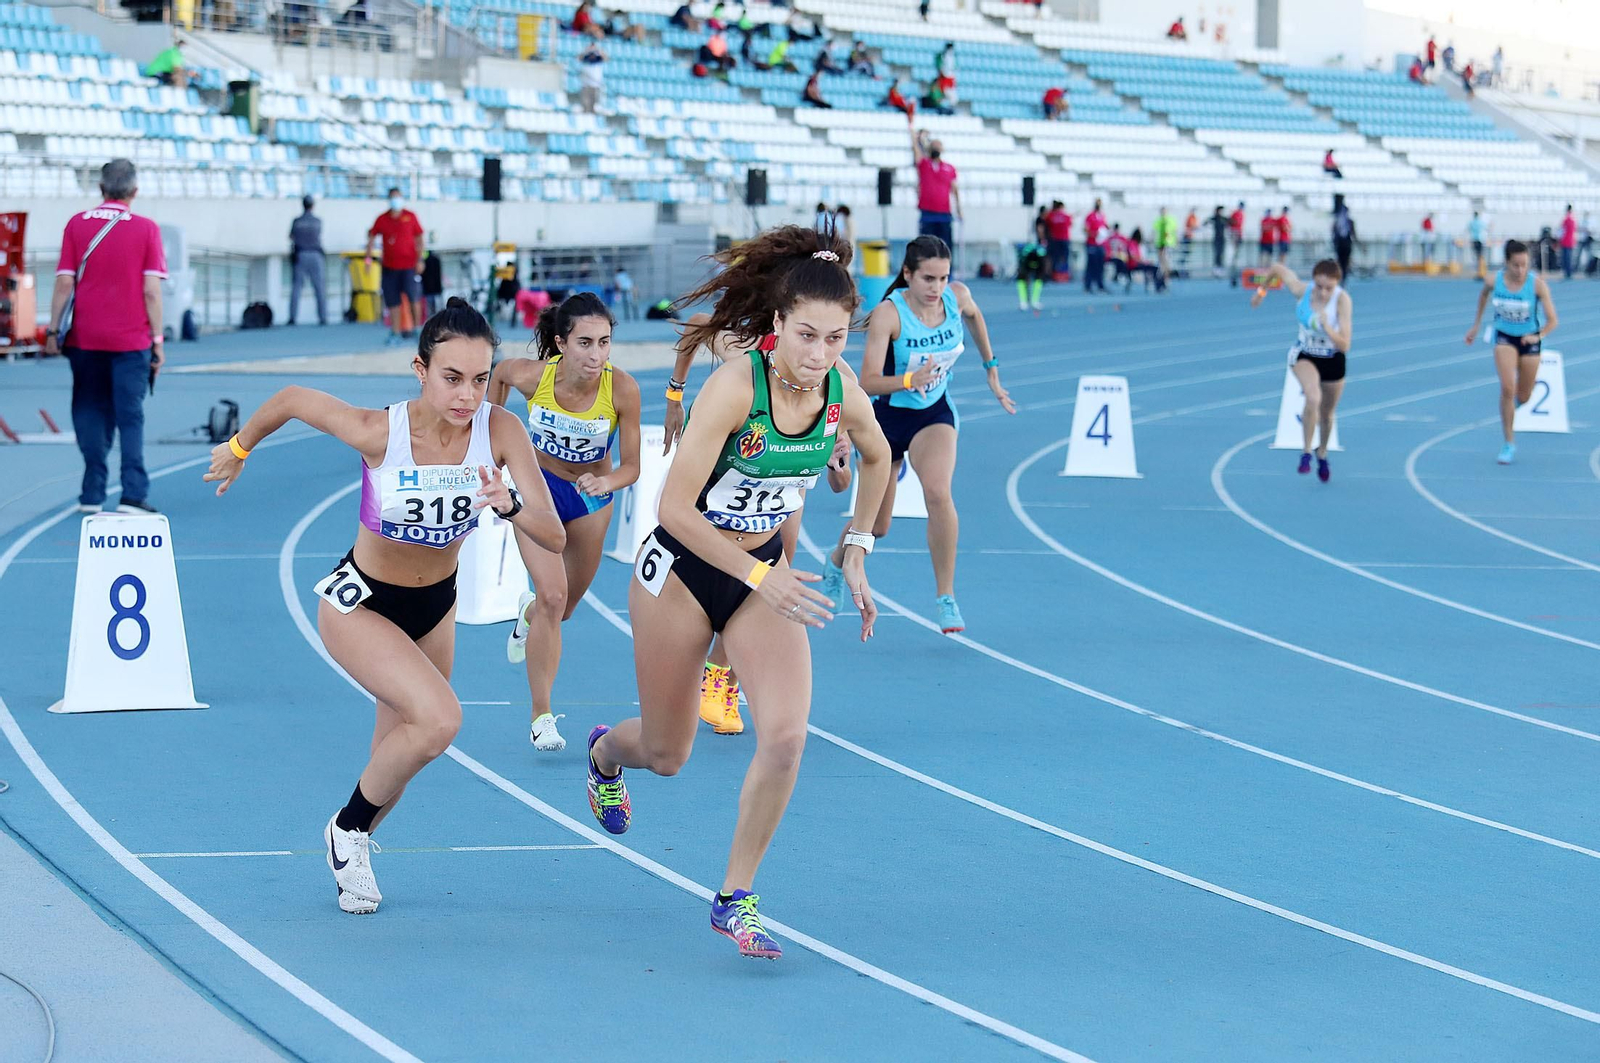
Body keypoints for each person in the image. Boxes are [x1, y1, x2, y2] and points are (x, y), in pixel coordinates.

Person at [585, 226, 891, 960]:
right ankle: (604, 755)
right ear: (777, 326)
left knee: (786, 737)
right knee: (667, 753)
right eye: (807, 335)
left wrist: (857, 549)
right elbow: (673, 510)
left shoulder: (841, 389)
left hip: (762, 577)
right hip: (683, 571)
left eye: (836, 338)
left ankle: (736, 896)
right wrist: (762, 572)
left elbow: (878, 458)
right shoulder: (734, 388)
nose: (819, 355)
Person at [202, 300, 566, 914]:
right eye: (452, 378)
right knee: (441, 722)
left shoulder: (501, 432)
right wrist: (240, 447)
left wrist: (508, 505)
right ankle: (345, 829)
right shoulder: (381, 431)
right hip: (362, 605)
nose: (467, 395)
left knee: (401, 750)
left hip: (435, 607)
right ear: (419, 370)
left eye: (480, 379)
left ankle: (355, 849)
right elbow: (292, 398)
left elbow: (553, 534)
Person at [661, 311, 858, 737]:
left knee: (772, 581)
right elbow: (696, 325)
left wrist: (838, 462)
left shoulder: (835, 372)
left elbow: (841, 481)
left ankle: (722, 678)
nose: (816, 347)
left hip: (784, 495)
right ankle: (707, 670)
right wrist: (675, 395)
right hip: (715, 491)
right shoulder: (740, 348)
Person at [815, 234, 1014, 635]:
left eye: (942, 278)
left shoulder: (957, 297)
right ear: (907, 275)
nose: (936, 288)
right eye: (927, 279)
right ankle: (837, 561)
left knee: (938, 493)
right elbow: (867, 382)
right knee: (878, 526)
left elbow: (974, 317)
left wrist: (990, 366)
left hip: (933, 415)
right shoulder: (890, 314)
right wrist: (910, 379)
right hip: (886, 421)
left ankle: (946, 597)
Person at [489, 294, 641, 753]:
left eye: (605, 343)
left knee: (562, 609)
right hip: (538, 492)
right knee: (553, 596)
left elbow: (633, 467)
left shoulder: (623, 390)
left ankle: (527, 614)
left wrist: (608, 480)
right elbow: (498, 376)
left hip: (590, 502)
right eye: (585, 343)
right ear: (561, 343)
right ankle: (541, 716)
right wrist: (488, 446)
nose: (596, 355)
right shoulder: (534, 376)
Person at [44, 159, 166, 516]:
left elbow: (65, 282)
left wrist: (53, 329)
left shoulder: (76, 224)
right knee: (130, 416)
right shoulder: (146, 229)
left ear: (100, 189)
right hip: (131, 341)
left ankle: (91, 492)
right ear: (134, 191)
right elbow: (151, 292)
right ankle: (132, 493)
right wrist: (157, 340)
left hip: (84, 337)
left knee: (88, 408)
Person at [1250, 260, 1353, 483]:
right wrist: (1261, 292)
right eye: (1319, 286)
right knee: (1312, 397)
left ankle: (1322, 452)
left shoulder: (1342, 301)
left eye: (1329, 288)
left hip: (1333, 358)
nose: (1323, 292)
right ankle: (1306, 452)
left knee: (1326, 415)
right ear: (1313, 281)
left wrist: (1328, 328)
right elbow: (1276, 267)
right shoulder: (1301, 290)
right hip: (1305, 354)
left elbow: (1345, 345)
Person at [1465, 239, 1559, 464]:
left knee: (1523, 396)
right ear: (1506, 263)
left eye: (1524, 265)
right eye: (1516, 265)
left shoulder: (1536, 285)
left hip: (1529, 341)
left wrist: (1537, 336)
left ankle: (1515, 405)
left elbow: (1553, 321)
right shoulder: (1494, 281)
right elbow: (1483, 295)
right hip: (1505, 337)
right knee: (1507, 389)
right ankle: (1508, 442)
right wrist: (1476, 324)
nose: (1520, 270)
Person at [366, 188, 425, 346]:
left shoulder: (410, 216)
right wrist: (368, 258)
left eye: (398, 197)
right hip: (390, 267)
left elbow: (419, 238)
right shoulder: (382, 219)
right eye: (393, 197)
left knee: (413, 297)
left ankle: (417, 329)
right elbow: (371, 236)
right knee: (393, 301)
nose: (396, 201)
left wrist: (420, 260)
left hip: (408, 266)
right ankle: (396, 332)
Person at [911, 116, 960, 248]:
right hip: (928, 212)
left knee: (944, 247)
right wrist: (915, 136)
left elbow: (955, 190)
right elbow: (916, 151)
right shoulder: (925, 165)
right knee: (926, 248)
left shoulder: (949, 168)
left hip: (944, 213)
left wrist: (958, 209)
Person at [288, 194, 326, 327]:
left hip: (301, 255)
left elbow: (291, 237)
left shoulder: (297, 221)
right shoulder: (317, 221)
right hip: (315, 255)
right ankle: (322, 318)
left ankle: (292, 318)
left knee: (296, 288)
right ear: (312, 205)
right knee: (319, 288)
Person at [1083, 198, 1108, 292]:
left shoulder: (1102, 216)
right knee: (1090, 265)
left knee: (1100, 266)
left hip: (1100, 244)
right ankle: (1087, 286)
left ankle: (1100, 285)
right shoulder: (1090, 216)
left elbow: (1104, 227)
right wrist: (1094, 234)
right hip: (1091, 244)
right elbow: (1085, 229)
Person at [1016, 238, 1047, 313]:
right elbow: (1022, 271)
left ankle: (1034, 301)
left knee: (1038, 280)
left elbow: (1042, 271)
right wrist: (1026, 278)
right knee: (1021, 281)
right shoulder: (1025, 256)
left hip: (1037, 265)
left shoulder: (1041, 257)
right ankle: (1023, 301)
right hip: (1025, 265)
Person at [1044, 200, 1072, 278]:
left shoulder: (1051, 215)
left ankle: (1054, 274)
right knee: (1064, 258)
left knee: (1054, 258)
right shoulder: (1066, 216)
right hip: (1064, 239)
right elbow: (1070, 224)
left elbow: (1046, 222)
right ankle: (1064, 275)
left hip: (1054, 240)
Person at [578, 41, 606, 113]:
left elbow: (605, 58)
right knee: (586, 102)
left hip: (596, 83)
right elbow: (579, 58)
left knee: (595, 101)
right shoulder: (586, 56)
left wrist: (598, 50)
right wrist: (587, 50)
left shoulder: (598, 57)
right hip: (586, 84)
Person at [420, 236, 444, 320]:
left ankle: (433, 317)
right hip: (433, 288)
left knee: (431, 305)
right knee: (433, 305)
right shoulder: (435, 259)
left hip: (430, 288)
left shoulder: (426, 260)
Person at [1153, 205, 1177, 285]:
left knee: (1166, 261)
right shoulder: (1158, 221)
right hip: (1160, 244)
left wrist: (1175, 241)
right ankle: (1163, 277)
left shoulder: (1170, 220)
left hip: (1168, 244)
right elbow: (1155, 231)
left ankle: (1167, 277)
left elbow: (1174, 231)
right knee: (1162, 261)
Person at [1332, 198, 1356, 279]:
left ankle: (1344, 276)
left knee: (1345, 262)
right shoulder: (1337, 223)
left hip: (1346, 243)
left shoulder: (1350, 222)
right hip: (1340, 243)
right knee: (1341, 261)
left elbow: (1354, 234)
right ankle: (1341, 276)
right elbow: (1334, 233)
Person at [1226, 200, 1245, 282]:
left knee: (1236, 253)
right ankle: (1232, 269)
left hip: (1238, 234)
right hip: (1234, 234)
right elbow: (1230, 223)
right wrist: (1233, 233)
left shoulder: (1242, 214)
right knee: (1233, 252)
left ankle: (1235, 267)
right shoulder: (1235, 213)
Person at [1559, 204, 1578, 280]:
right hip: (1571, 241)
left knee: (1566, 258)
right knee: (1569, 258)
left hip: (1566, 241)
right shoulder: (1573, 219)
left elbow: (1562, 230)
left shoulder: (1566, 219)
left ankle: (1568, 273)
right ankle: (1569, 273)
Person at [1209, 204, 1227, 278]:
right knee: (1217, 254)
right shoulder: (1214, 218)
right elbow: (1206, 222)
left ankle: (1220, 268)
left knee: (1221, 253)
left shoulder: (1223, 218)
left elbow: (1232, 222)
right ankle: (1216, 269)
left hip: (1222, 238)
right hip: (1216, 238)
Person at [1468, 210, 1488, 276]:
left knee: (1476, 256)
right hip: (1480, 239)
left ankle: (1479, 271)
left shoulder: (1472, 222)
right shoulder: (1481, 222)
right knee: (1480, 255)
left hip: (1474, 240)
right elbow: (1486, 228)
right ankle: (1481, 271)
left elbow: (1469, 229)